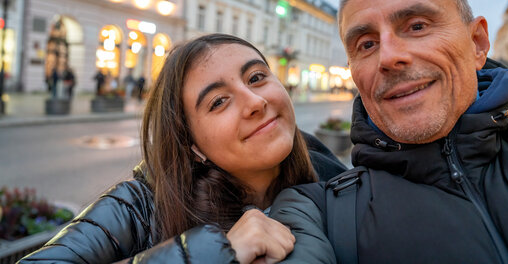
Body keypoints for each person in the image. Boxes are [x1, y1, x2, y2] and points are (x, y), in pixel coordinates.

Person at [270, 0, 508, 263]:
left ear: (477, 43)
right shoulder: (318, 211)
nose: (389, 57)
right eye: (367, 44)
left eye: (417, 26)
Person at [20, 34, 346, 263]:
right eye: (218, 101)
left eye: (257, 77)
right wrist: (212, 252)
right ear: (191, 145)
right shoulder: (140, 208)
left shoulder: (337, 181)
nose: (256, 102)